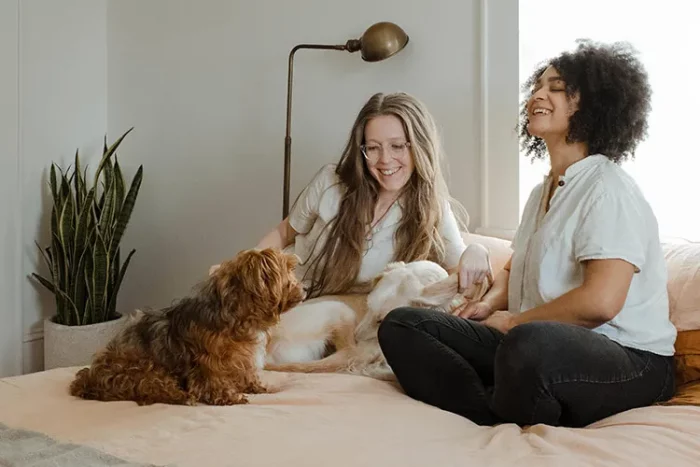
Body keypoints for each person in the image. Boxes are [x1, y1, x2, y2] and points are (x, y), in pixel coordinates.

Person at [377, 40, 678, 428]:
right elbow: (514, 267)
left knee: (526, 344)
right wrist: (486, 306)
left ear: (592, 104)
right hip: (535, 344)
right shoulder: (543, 192)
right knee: (403, 325)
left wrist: (514, 322)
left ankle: (506, 400)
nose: (538, 94)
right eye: (537, 86)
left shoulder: (607, 188)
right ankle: (494, 411)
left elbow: (601, 302)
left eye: (556, 87)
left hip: (631, 360)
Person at [214, 91, 491, 299]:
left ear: (419, 146)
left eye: (397, 146)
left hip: (344, 316)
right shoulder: (330, 181)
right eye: (372, 148)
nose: (385, 160)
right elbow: (285, 232)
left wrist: (478, 251)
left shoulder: (431, 207)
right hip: (288, 296)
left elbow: (459, 271)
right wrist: (239, 269)